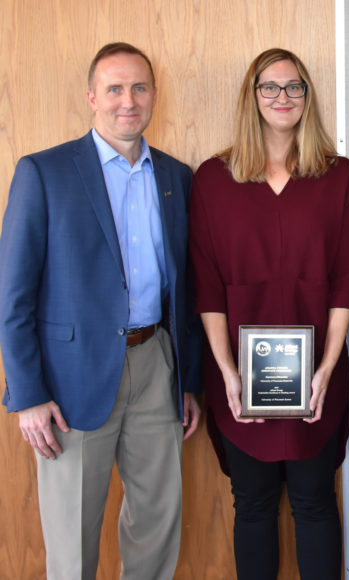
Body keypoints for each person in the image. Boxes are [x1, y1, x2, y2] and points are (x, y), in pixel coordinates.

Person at [0, 42, 201, 579]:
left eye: (139, 88)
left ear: (154, 96)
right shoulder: (44, 173)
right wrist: (29, 395)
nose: (127, 101)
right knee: (72, 531)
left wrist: (187, 378)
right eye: (114, 89)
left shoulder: (177, 178)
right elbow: (13, 296)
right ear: (92, 98)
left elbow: (183, 289)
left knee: (158, 520)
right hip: (70, 380)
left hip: (156, 362)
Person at [189, 48, 349, 579]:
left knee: (314, 502)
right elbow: (208, 287)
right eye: (270, 87)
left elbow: (344, 284)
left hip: (316, 375)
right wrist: (227, 372)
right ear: (252, 95)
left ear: (308, 98)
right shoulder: (213, 179)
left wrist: (327, 369)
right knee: (254, 503)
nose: (282, 98)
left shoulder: (338, 177)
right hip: (239, 376)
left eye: (294, 88)